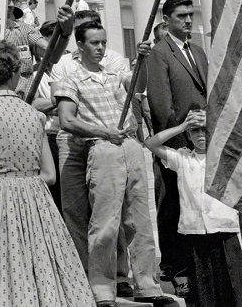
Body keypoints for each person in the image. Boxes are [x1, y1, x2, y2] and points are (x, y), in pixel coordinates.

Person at [0, 39, 95, 307]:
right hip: (35, 199)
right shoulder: (34, 115)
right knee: (41, 267)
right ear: (15, 74)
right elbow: (49, 175)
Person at [55, 21, 174, 306]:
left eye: (103, 42)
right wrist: (103, 132)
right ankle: (101, 287)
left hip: (130, 145)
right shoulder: (70, 79)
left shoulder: (114, 74)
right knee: (105, 222)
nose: (100, 48)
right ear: (80, 46)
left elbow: (139, 85)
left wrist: (144, 59)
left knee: (138, 221)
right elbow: (66, 119)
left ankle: (146, 283)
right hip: (102, 147)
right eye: (94, 43)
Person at [145, 108, 242, 307]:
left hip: (224, 228)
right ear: (189, 135)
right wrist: (182, 126)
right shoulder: (182, 158)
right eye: (195, 131)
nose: (201, 135)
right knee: (203, 286)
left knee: (231, 285)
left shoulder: (226, 156)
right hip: (195, 230)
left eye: (205, 130)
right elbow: (150, 143)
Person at [146, 0, 206, 283]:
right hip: (178, 143)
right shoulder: (159, 53)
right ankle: (174, 264)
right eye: (181, 15)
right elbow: (161, 104)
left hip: (202, 140)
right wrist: (178, 140)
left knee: (196, 200)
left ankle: (195, 259)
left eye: (190, 14)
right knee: (172, 202)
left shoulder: (198, 51)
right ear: (166, 19)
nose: (188, 20)